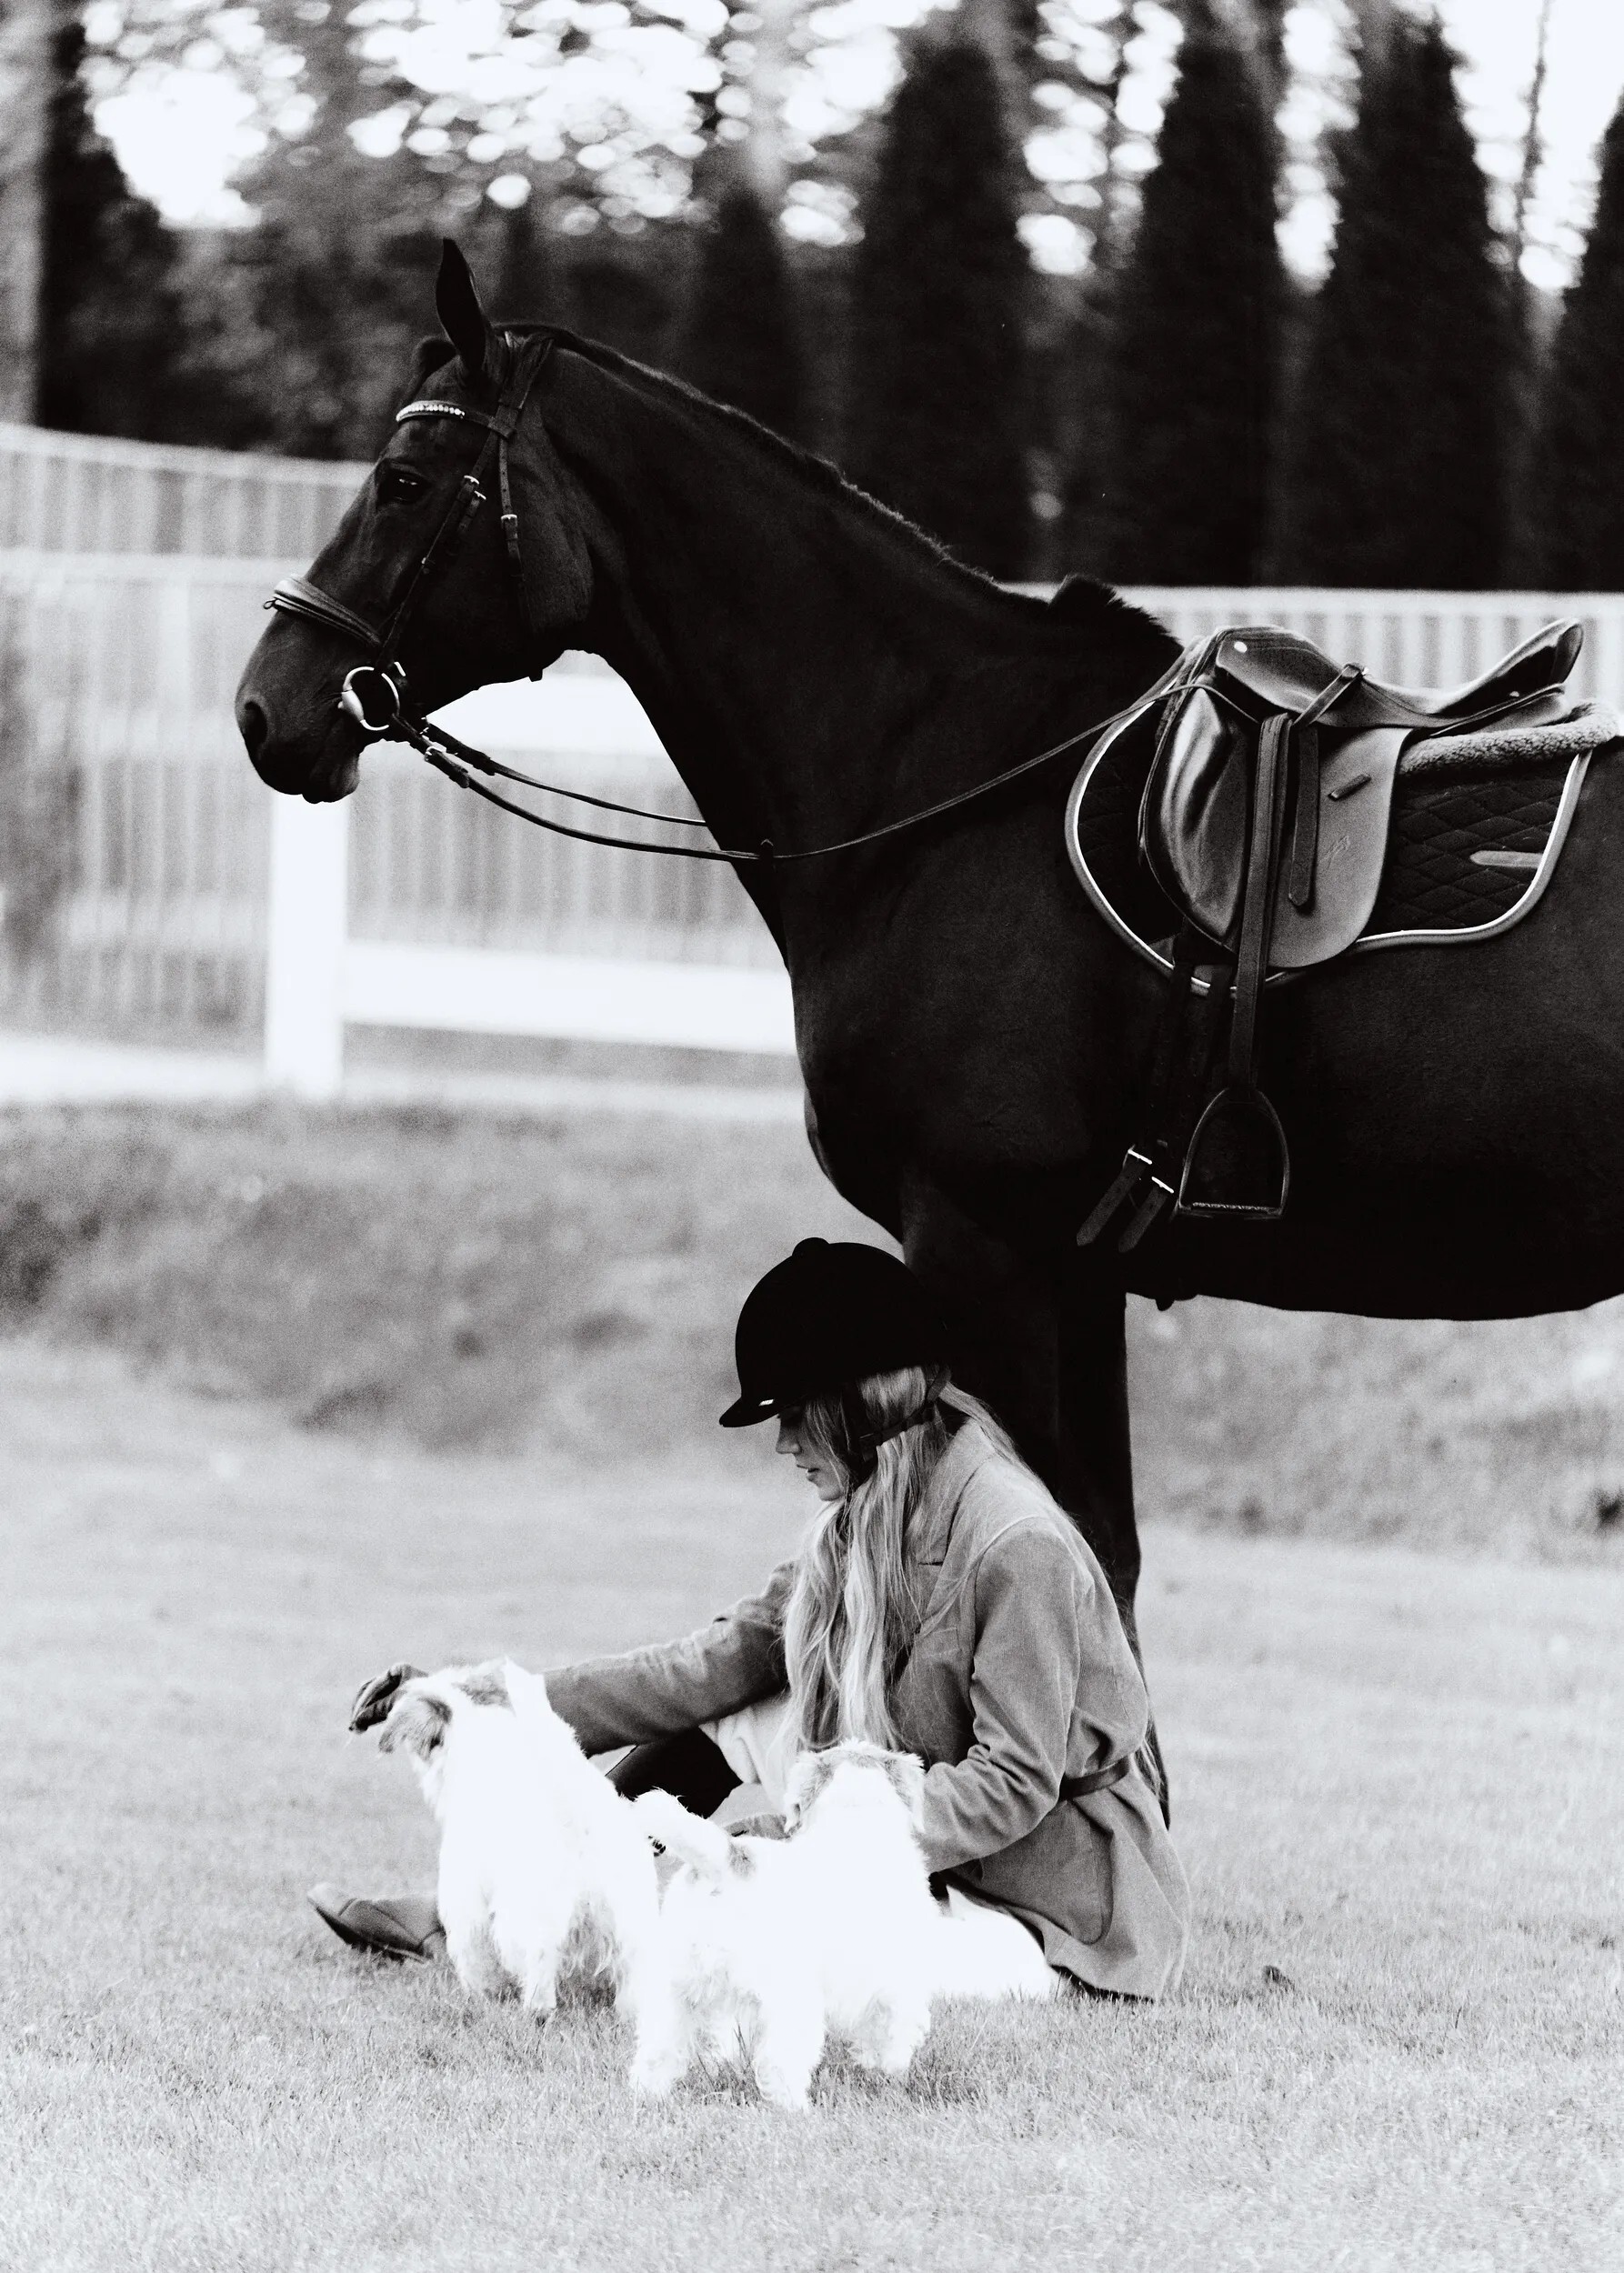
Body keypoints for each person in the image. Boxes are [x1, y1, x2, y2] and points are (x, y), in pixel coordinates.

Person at [312, 1238, 1189, 1999]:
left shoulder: (1016, 1546)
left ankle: (612, 1920)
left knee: (779, 1950)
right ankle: (509, 1905)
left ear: (862, 1408)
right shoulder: (861, 1520)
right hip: (918, 1852)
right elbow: (708, 1668)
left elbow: (1013, 1785)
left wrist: (819, 1837)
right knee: (733, 1712)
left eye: (795, 1415)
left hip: (1043, 1912)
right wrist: (491, 1701)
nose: (782, 1444)